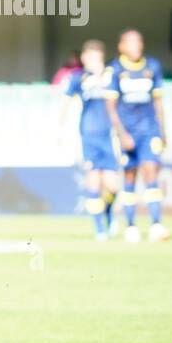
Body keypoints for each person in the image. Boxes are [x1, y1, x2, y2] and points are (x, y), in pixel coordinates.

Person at [104, 29, 168, 243]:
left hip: (149, 129)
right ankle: (131, 226)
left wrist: (163, 130)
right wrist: (122, 134)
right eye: (131, 42)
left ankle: (156, 224)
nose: (136, 46)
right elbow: (110, 107)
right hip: (127, 131)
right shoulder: (114, 69)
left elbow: (158, 101)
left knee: (151, 171)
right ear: (121, 46)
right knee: (130, 175)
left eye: (138, 42)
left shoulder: (153, 66)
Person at [59, 41, 119, 240]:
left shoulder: (111, 76)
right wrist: (60, 126)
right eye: (88, 56)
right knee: (93, 180)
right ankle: (99, 228)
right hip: (89, 135)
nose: (90, 60)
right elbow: (66, 101)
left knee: (112, 186)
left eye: (95, 56)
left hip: (110, 135)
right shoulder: (79, 78)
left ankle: (108, 213)